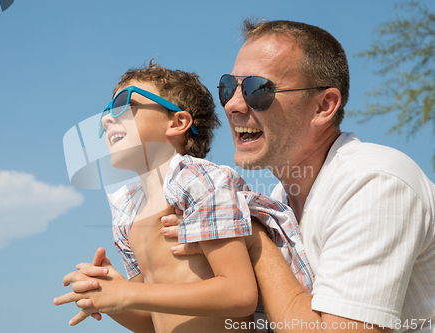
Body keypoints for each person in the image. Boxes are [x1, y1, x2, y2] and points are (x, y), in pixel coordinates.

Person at [69, 19, 435, 333]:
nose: (232, 104)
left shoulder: (373, 182)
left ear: (323, 106)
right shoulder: (275, 200)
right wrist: (115, 298)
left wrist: (254, 238)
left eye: (258, 89)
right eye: (228, 88)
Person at [54, 63, 313, 332]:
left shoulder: (199, 182)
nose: (108, 118)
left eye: (124, 104)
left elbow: (239, 295)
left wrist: (128, 294)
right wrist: (108, 297)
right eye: (107, 111)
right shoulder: (127, 212)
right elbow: (150, 321)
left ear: (177, 123)